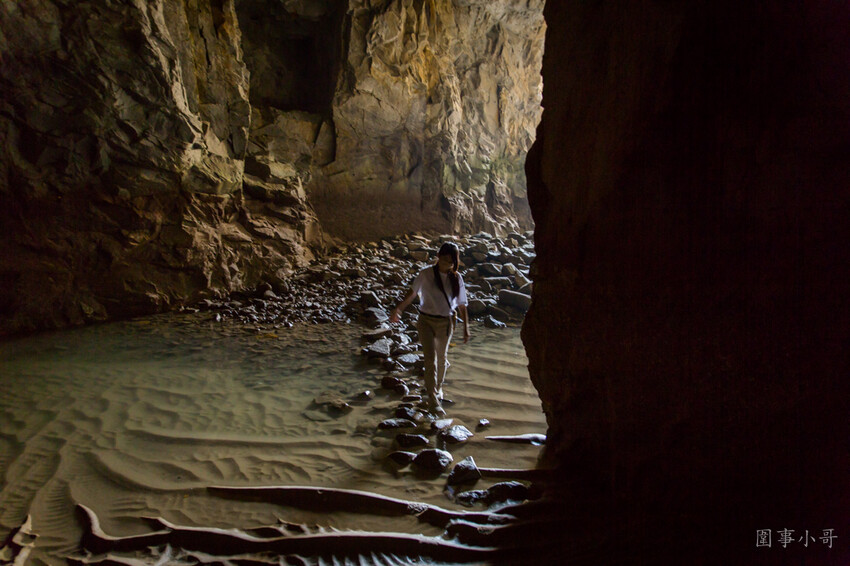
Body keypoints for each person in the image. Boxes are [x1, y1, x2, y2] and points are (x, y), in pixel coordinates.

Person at [390, 242, 470, 415]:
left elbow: (462, 305)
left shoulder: (457, 278)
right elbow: (411, 294)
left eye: (451, 260)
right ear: (438, 256)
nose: (447, 263)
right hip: (426, 321)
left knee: (442, 358)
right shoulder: (425, 274)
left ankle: (438, 387)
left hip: (446, 322)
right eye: (445, 258)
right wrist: (399, 308)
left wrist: (466, 328)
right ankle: (432, 398)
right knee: (429, 360)